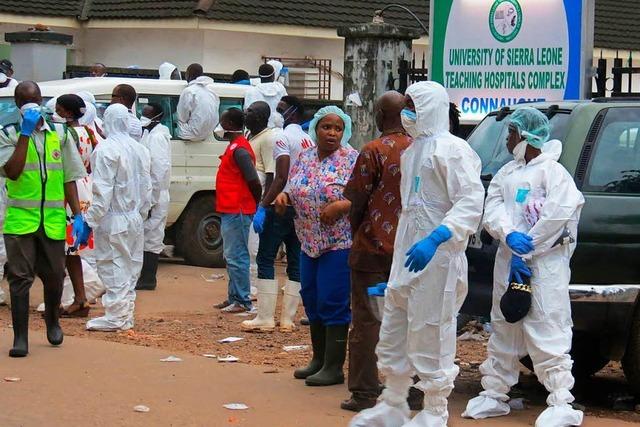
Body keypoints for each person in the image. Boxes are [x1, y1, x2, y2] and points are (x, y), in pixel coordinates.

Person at [350, 81, 484, 427]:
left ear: (429, 108)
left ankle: (435, 409)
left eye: (412, 106)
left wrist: (440, 236)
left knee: (431, 331)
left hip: (438, 260)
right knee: (395, 327)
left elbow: (470, 201)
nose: (406, 113)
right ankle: (393, 401)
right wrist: (395, 276)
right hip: (408, 259)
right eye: (405, 106)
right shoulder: (412, 152)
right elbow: (410, 214)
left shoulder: (452, 150)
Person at [463, 107, 585, 427]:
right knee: (504, 324)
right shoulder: (508, 172)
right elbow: (493, 208)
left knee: (547, 326)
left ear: (526, 136)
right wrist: (509, 235)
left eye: (511, 134)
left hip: (544, 266)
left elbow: (559, 216)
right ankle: (495, 392)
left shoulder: (554, 173)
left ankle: (561, 401)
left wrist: (529, 247)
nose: (507, 140)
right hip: (509, 262)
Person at [341, 91, 423, 412]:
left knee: (367, 320)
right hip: (412, 253)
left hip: (373, 250)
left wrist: (358, 231)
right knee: (409, 319)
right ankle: (410, 389)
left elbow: (357, 200)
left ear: (378, 115)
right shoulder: (421, 150)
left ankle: (364, 392)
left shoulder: (373, 151)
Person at [0, 81, 88, 357]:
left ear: (42, 100)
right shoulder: (8, 134)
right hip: (20, 219)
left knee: (53, 276)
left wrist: (78, 215)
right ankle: (21, 338)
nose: (31, 104)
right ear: (18, 105)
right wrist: (25, 134)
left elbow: (71, 176)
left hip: (52, 219)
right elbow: (12, 171)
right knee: (20, 278)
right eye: (26, 101)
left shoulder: (60, 134)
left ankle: (52, 321)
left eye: (35, 99)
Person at [275, 106, 358, 387]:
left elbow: (364, 197)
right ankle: (319, 359)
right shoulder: (306, 157)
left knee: (332, 300)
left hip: (338, 242)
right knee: (311, 297)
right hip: (308, 240)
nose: (332, 133)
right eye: (326, 127)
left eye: (338, 128)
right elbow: (293, 185)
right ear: (316, 129)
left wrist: (341, 205)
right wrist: (284, 197)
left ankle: (334, 367)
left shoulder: (352, 159)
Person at [241, 96, 312, 333]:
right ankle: (288, 320)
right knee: (295, 260)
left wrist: (264, 204)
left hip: (280, 205)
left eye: (281, 109)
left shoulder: (282, 137)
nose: (278, 113)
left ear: (293, 112)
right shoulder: (307, 140)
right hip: (301, 207)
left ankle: (265, 317)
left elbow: (280, 175)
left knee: (265, 257)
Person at [85, 103, 148, 332]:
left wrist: (90, 220)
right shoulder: (139, 148)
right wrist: (141, 213)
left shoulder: (105, 150)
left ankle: (116, 317)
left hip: (114, 217)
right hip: (134, 217)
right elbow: (146, 186)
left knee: (113, 265)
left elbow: (102, 192)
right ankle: (125, 313)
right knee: (130, 266)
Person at [213, 108, 261, 314]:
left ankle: (242, 300)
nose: (220, 126)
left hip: (238, 208)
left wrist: (255, 203)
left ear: (230, 125)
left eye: (222, 122)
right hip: (231, 207)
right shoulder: (235, 147)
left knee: (237, 255)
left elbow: (253, 180)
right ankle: (235, 296)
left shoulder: (239, 149)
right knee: (231, 254)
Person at [55, 94, 99, 317]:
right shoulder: (89, 132)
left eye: (58, 110)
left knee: (63, 248)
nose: (56, 113)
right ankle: (79, 298)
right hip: (85, 187)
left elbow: (65, 168)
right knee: (72, 250)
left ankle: (67, 299)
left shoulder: (66, 134)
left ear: (68, 113)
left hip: (69, 189)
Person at [137, 103, 171, 290]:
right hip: (149, 194)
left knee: (152, 236)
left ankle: (148, 279)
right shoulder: (149, 133)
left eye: (147, 114)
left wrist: (151, 201)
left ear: (157, 117)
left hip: (155, 195)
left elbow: (158, 171)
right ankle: (144, 277)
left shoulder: (157, 137)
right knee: (146, 235)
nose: (143, 117)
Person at [177, 63, 219, 141]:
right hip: (208, 134)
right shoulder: (212, 93)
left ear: (187, 74)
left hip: (190, 134)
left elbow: (182, 117)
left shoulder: (188, 91)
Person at [243, 63, 287, 128]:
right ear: (273, 76)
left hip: (258, 131)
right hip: (278, 130)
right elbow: (287, 107)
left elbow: (247, 111)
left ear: (259, 76)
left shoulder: (251, 92)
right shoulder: (281, 89)